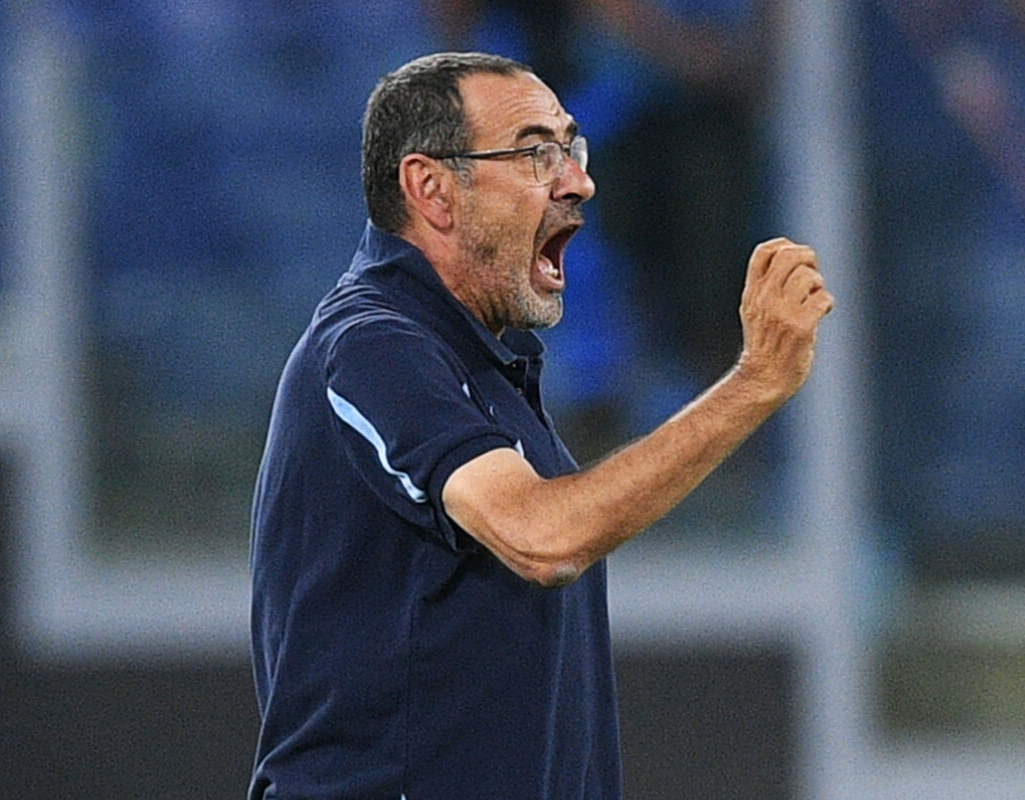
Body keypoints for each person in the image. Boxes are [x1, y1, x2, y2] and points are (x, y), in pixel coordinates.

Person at [247, 51, 833, 800]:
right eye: (535, 154)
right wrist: (752, 384)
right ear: (431, 189)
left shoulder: (482, 363)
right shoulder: (373, 345)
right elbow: (540, 535)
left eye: (570, 147)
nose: (578, 181)